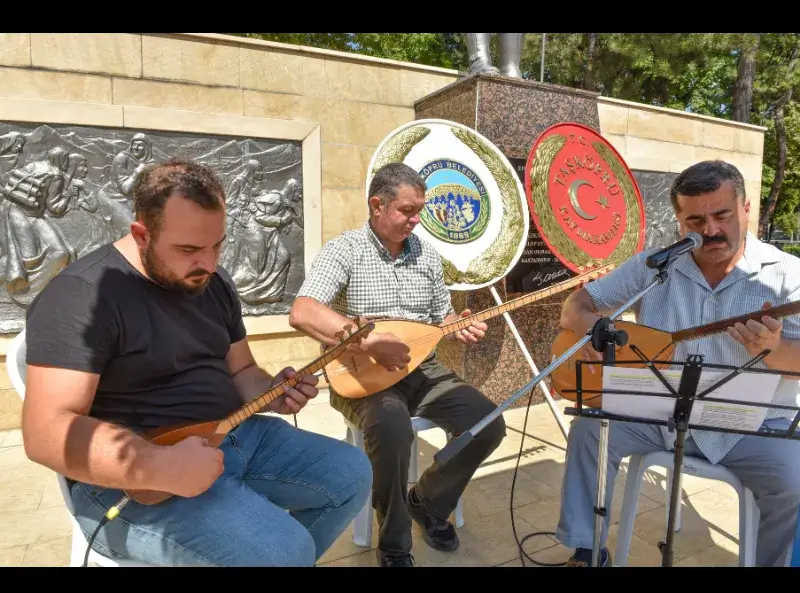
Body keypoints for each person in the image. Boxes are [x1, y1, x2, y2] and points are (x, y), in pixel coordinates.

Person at [20, 157, 373, 567]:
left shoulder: (214, 281)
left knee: (352, 474)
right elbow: (46, 433)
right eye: (188, 249)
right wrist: (160, 466)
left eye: (217, 244)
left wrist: (273, 392)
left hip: (232, 435)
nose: (207, 263)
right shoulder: (82, 296)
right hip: (136, 476)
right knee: (284, 550)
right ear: (141, 234)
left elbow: (242, 370)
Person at [554, 159, 800, 567]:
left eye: (721, 215)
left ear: (746, 208)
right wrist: (594, 329)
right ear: (680, 222)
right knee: (589, 431)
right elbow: (576, 305)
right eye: (695, 220)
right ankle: (586, 549)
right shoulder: (655, 267)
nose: (711, 231)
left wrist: (774, 348)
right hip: (661, 411)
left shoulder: (788, 275)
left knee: (793, 481)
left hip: (752, 422)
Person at [289, 162, 507, 567]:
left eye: (420, 210)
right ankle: (393, 541)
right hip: (363, 376)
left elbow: (442, 318)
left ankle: (427, 501)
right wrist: (368, 341)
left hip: (423, 371)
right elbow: (303, 311)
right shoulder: (345, 250)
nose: (416, 220)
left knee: (487, 422)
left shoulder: (425, 254)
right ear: (377, 205)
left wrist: (459, 325)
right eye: (408, 210)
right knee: (391, 427)